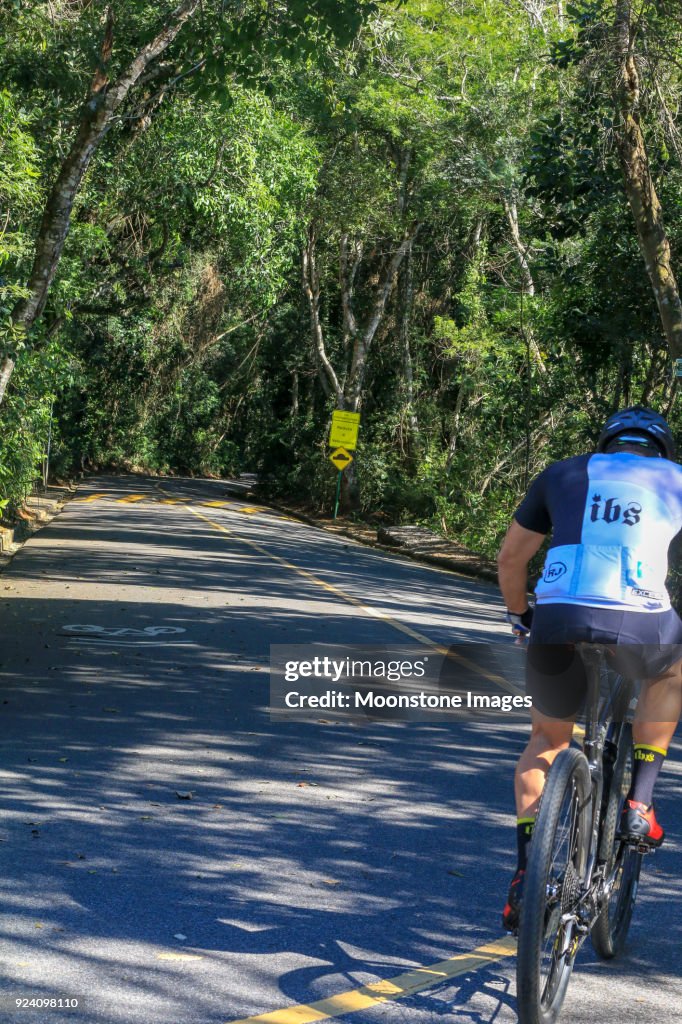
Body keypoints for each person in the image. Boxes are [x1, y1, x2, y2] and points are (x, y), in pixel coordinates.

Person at [496, 406, 682, 931]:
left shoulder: (563, 472)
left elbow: (511, 559)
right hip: (642, 625)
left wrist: (520, 616)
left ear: (605, 444)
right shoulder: (676, 480)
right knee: (671, 671)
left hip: (558, 619)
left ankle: (526, 877)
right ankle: (640, 804)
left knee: (545, 742)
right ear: (662, 450)